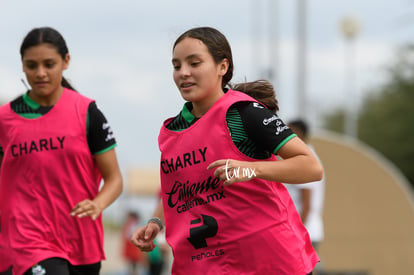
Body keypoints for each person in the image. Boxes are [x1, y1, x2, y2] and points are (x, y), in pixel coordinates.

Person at [131, 26, 323, 275]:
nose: (184, 73)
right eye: (177, 66)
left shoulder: (244, 113)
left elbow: (311, 167)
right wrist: (156, 223)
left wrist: (250, 168)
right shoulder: (173, 130)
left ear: (223, 67)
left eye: (195, 63)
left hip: (270, 261)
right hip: (206, 264)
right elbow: (177, 192)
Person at [0, 27, 123, 275]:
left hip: (81, 241)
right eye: (32, 65)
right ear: (22, 65)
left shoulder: (87, 113)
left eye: (49, 64)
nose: (40, 73)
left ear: (65, 61)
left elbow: (114, 180)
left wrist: (98, 204)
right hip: (26, 240)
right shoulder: (5, 120)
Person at [284, 119, 326, 254]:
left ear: (299, 134)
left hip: (304, 230)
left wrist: (297, 232)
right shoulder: (303, 158)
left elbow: (306, 204)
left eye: (289, 131)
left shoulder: (305, 162)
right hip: (304, 229)